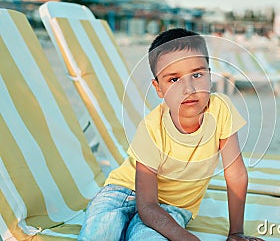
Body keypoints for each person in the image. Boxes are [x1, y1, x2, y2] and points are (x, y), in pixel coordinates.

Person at [78, 28, 264, 241]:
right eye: (174, 79)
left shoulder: (221, 110)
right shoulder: (152, 128)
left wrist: (236, 232)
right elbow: (147, 204)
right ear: (158, 88)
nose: (188, 88)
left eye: (197, 74)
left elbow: (236, 175)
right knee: (102, 230)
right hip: (123, 192)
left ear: (209, 75)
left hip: (174, 205)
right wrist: (186, 237)